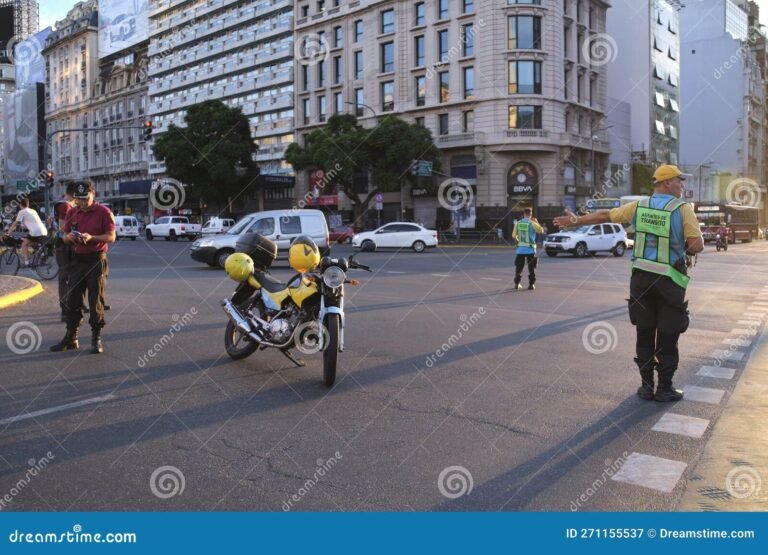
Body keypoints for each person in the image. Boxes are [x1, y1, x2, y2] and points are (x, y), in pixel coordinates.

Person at [553, 164, 704, 402]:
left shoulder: (639, 206)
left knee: (644, 333)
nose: (682, 185)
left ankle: (646, 387)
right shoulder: (682, 209)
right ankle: (664, 388)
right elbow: (697, 246)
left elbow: (606, 215)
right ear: (667, 183)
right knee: (668, 334)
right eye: (679, 181)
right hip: (670, 282)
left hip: (641, 280)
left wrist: (576, 221)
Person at [50, 181, 115, 354]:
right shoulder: (73, 211)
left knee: (96, 300)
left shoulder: (104, 212)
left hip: (96, 260)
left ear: (93, 194)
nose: (83, 203)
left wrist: (91, 237)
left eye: (86, 198)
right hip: (77, 261)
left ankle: (96, 338)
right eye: (79, 199)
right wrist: (68, 237)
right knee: (72, 300)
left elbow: (111, 236)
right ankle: (71, 337)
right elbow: (62, 234)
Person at [53, 184, 77, 321]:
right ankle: (65, 309)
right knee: (65, 277)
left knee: (72, 276)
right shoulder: (66, 206)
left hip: (65, 243)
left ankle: (74, 305)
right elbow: (63, 229)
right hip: (64, 245)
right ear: (75, 195)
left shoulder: (62, 205)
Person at [6, 196, 47, 267]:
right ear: (28, 204)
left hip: (35, 232)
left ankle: (26, 263)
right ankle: (40, 254)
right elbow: (28, 224)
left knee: (24, 244)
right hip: (43, 230)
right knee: (30, 241)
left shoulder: (22, 211)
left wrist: (9, 232)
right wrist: (23, 226)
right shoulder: (33, 210)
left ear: (20, 205)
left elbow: (15, 223)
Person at [512, 208, 543, 290]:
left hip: (520, 250)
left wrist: (519, 243)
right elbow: (541, 231)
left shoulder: (518, 223)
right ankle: (531, 285)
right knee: (531, 268)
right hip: (531, 250)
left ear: (524, 214)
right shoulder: (532, 223)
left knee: (519, 267)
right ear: (531, 214)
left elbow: (513, 236)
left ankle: (517, 284)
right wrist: (537, 222)